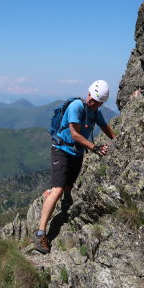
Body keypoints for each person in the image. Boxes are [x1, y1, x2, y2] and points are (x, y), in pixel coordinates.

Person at [33, 80, 116, 254]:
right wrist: (94, 147)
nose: (93, 103)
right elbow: (75, 134)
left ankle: (66, 204)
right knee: (57, 190)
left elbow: (105, 127)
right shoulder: (76, 107)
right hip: (61, 150)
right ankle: (41, 233)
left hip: (76, 153)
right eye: (92, 99)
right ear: (88, 94)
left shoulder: (95, 112)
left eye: (97, 102)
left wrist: (117, 140)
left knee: (69, 186)